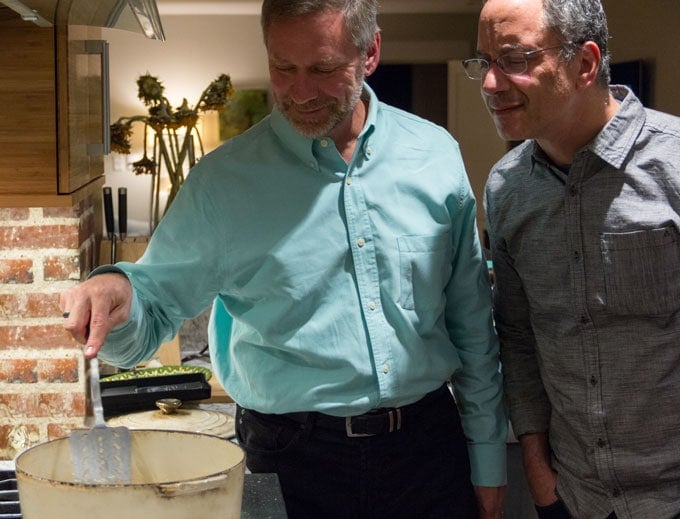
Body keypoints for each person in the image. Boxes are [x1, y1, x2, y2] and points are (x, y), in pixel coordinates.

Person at [61, 0, 508, 517]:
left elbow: (472, 326)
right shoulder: (223, 183)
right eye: (283, 68)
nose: (300, 91)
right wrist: (118, 293)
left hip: (427, 450)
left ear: (370, 54)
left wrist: (488, 456)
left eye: (322, 68)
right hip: (290, 457)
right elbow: (151, 310)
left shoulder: (435, 156)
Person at [463, 0, 680, 517]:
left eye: (514, 58)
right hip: (574, 497)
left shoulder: (673, 164)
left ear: (584, 64)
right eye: (484, 62)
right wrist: (537, 470)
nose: (490, 84)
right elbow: (517, 336)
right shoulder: (508, 187)